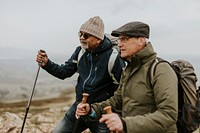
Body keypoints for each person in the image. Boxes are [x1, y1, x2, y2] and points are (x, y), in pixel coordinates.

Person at [76, 21, 178, 133]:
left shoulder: (160, 69)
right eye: (119, 39)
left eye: (124, 39)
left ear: (141, 40)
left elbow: (169, 115)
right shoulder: (129, 69)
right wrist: (92, 109)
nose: (119, 44)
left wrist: (125, 124)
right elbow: (117, 100)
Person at [36, 16, 125, 133]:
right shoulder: (80, 52)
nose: (82, 38)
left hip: (101, 113)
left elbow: (119, 91)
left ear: (98, 38)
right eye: (80, 34)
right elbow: (64, 72)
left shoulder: (113, 58)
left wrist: (115, 114)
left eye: (86, 35)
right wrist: (47, 64)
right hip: (79, 107)